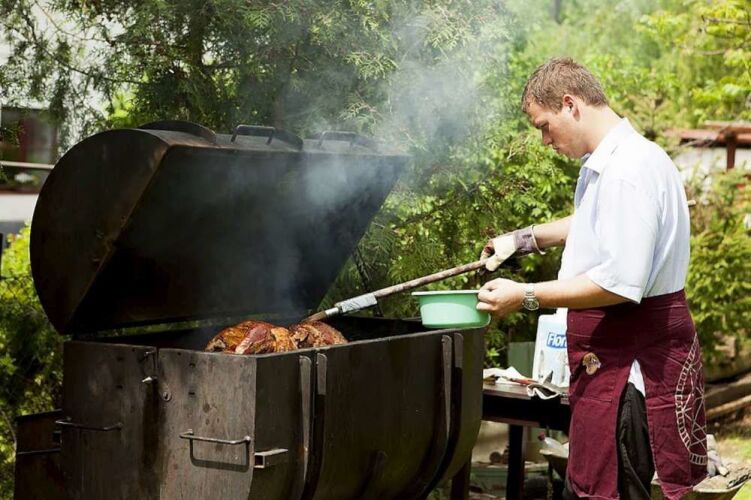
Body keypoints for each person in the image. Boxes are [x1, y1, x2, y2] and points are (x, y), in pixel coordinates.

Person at [477, 57, 707, 500]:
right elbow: (594, 224)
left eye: (545, 127)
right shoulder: (622, 160)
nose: (545, 141)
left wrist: (525, 295)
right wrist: (523, 240)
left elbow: (619, 283)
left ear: (570, 104)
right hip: (618, 367)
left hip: (630, 378)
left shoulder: (626, 172)